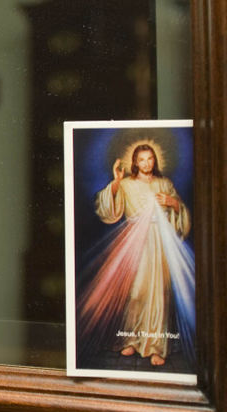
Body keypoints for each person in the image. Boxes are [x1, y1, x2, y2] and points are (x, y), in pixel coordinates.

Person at [78, 142, 194, 367]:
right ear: (135, 162)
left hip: (159, 241)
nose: (146, 163)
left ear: (155, 160)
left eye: (150, 159)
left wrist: (173, 203)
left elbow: (181, 214)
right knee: (136, 291)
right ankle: (132, 338)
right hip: (135, 241)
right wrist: (116, 182)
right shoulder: (127, 184)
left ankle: (156, 346)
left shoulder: (164, 183)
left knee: (159, 293)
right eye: (142, 159)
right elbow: (108, 209)